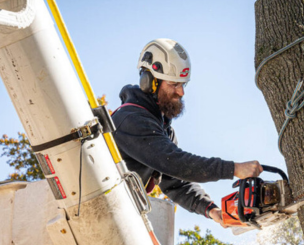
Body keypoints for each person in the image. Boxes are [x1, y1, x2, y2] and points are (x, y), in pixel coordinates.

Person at [112, 38, 263, 226]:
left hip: (120, 216)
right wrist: (233, 169)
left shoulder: (163, 130)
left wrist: (211, 210)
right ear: (150, 82)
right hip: (104, 212)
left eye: (183, 84)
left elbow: (176, 182)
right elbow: (175, 163)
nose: (181, 92)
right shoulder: (131, 119)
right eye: (174, 84)